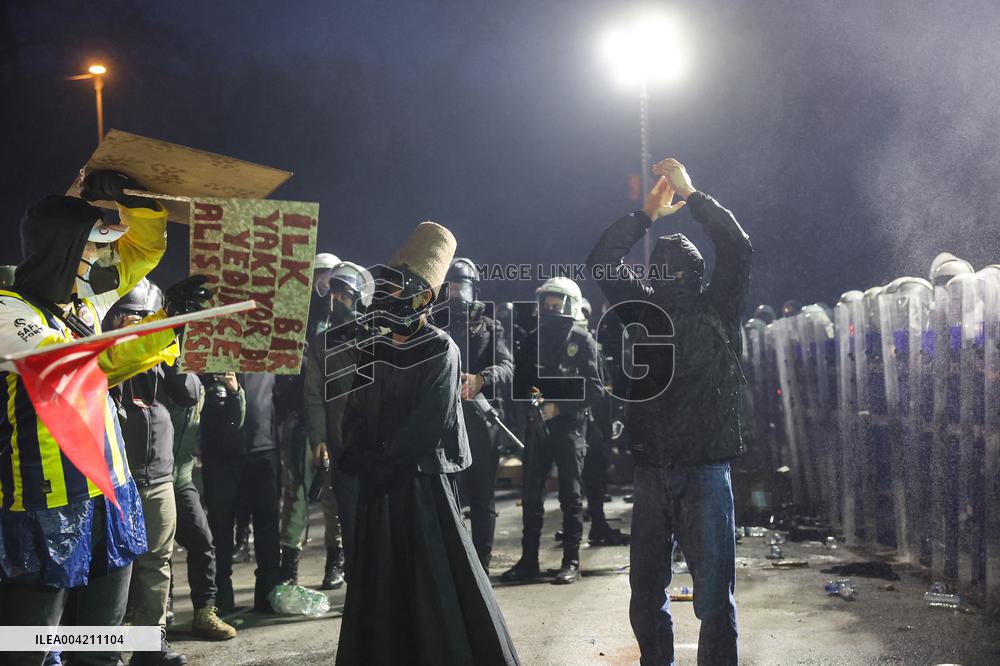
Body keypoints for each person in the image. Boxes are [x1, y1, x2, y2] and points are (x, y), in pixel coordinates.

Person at [0, 171, 177, 666]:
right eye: (89, 248)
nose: (97, 258)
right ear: (61, 250)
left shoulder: (83, 301)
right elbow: (84, 367)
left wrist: (128, 203)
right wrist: (170, 323)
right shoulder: (7, 314)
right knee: (27, 651)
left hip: (109, 494)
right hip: (45, 505)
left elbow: (142, 252)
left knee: (99, 647)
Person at [587, 158, 752, 665]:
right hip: (653, 472)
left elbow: (737, 246)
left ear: (698, 274)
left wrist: (694, 196)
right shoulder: (641, 309)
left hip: (704, 470)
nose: (675, 276)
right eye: (665, 271)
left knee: (713, 602)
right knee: (645, 597)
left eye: (683, 270)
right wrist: (645, 215)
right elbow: (601, 262)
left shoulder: (718, 307)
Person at [335, 222, 518, 665]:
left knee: (434, 580)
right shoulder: (372, 347)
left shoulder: (441, 348)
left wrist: (383, 465)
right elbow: (355, 410)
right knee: (382, 586)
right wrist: (356, 453)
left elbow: (427, 422)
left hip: (422, 485)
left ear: (423, 299)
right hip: (380, 486)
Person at [108, 280, 206, 666]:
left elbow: (187, 393)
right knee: (113, 570)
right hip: (117, 478)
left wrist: (174, 345)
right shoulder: (106, 356)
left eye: (147, 318)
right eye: (133, 317)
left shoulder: (159, 356)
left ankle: (149, 646)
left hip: (159, 477)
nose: (140, 324)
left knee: (156, 565)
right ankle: (102, 651)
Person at [501, 277, 605, 585]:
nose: (550, 307)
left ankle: (571, 561)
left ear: (569, 303)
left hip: (570, 428)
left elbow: (596, 390)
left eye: (556, 302)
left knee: (570, 496)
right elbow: (522, 382)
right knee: (531, 496)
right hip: (538, 428)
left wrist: (560, 407)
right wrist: (535, 404)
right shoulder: (534, 338)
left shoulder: (583, 340)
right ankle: (528, 560)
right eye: (546, 301)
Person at [302, 261, 370, 587]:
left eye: (344, 296)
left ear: (356, 298)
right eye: (335, 295)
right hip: (339, 442)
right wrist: (319, 438)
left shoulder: (374, 337)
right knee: (345, 514)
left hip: (372, 442)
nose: (338, 301)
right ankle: (352, 581)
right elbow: (314, 395)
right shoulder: (320, 344)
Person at [444, 257, 514, 575]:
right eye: (453, 286)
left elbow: (507, 367)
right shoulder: (433, 325)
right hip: (444, 422)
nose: (457, 292)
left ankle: (481, 566)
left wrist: (481, 379)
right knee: (450, 497)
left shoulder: (491, 326)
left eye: (463, 285)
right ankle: (457, 565)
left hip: (481, 421)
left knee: (483, 498)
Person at [164, 371, 237, 640]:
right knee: (156, 552)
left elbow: (230, 424)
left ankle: (205, 612)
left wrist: (233, 392)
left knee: (203, 541)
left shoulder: (206, 385)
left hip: (181, 477)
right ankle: (159, 615)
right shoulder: (160, 372)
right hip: (150, 477)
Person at [201, 372, 281, 613]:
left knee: (267, 524)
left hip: (262, 447)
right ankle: (221, 599)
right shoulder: (212, 351)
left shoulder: (269, 345)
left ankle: (268, 594)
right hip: (220, 452)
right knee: (220, 526)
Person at [576, 298, 628, 547]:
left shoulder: (594, 344)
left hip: (597, 421)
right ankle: (589, 526)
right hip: (581, 421)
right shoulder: (577, 345)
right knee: (584, 478)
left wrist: (613, 417)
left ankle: (598, 524)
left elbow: (608, 386)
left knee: (596, 475)